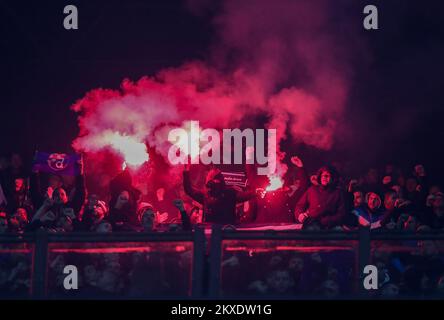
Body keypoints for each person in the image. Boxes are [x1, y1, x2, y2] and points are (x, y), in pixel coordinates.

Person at [183, 164, 257, 225]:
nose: (208, 175)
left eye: (209, 175)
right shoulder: (206, 195)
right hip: (211, 232)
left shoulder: (230, 193)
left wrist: (255, 193)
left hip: (226, 233)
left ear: (215, 180)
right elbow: (189, 190)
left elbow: (245, 196)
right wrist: (186, 171)